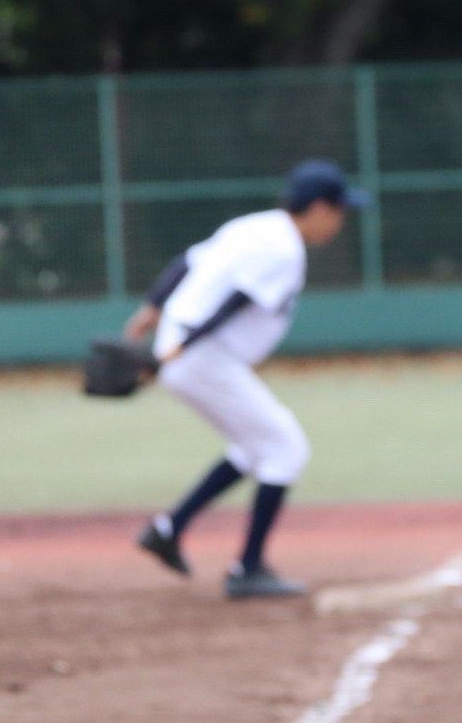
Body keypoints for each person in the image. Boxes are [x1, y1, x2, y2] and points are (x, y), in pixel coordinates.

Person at [124, 158, 368, 599]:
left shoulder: (255, 226)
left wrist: (153, 307)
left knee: (255, 448)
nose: (339, 221)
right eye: (338, 211)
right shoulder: (285, 250)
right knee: (287, 446)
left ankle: (168, 530)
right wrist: (181, 348)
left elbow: (188, 261)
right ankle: (247, 568)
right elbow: (234, 303)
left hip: (191, 350)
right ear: (316, 208)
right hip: (202, 355)